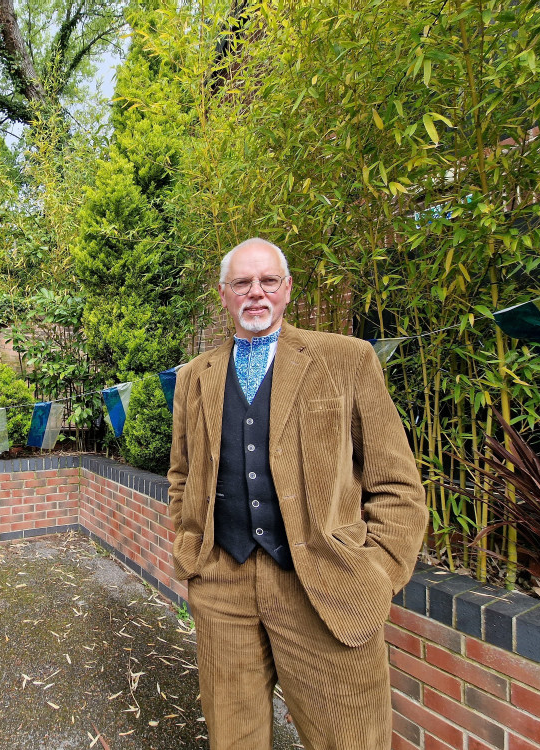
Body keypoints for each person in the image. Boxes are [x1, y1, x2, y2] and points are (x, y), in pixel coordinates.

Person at [167, 237, 427, 749]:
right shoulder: (194, 377)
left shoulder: (346, 359)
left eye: (267, 281)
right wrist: (190, 545)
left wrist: (377, 575)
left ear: (287, 289)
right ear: (224, 294)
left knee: (349, 739)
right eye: (242, 283)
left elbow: (397, 484)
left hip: (324, 584)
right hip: (223, 583)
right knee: (232, 737)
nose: (255, 293)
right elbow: (182, 474)